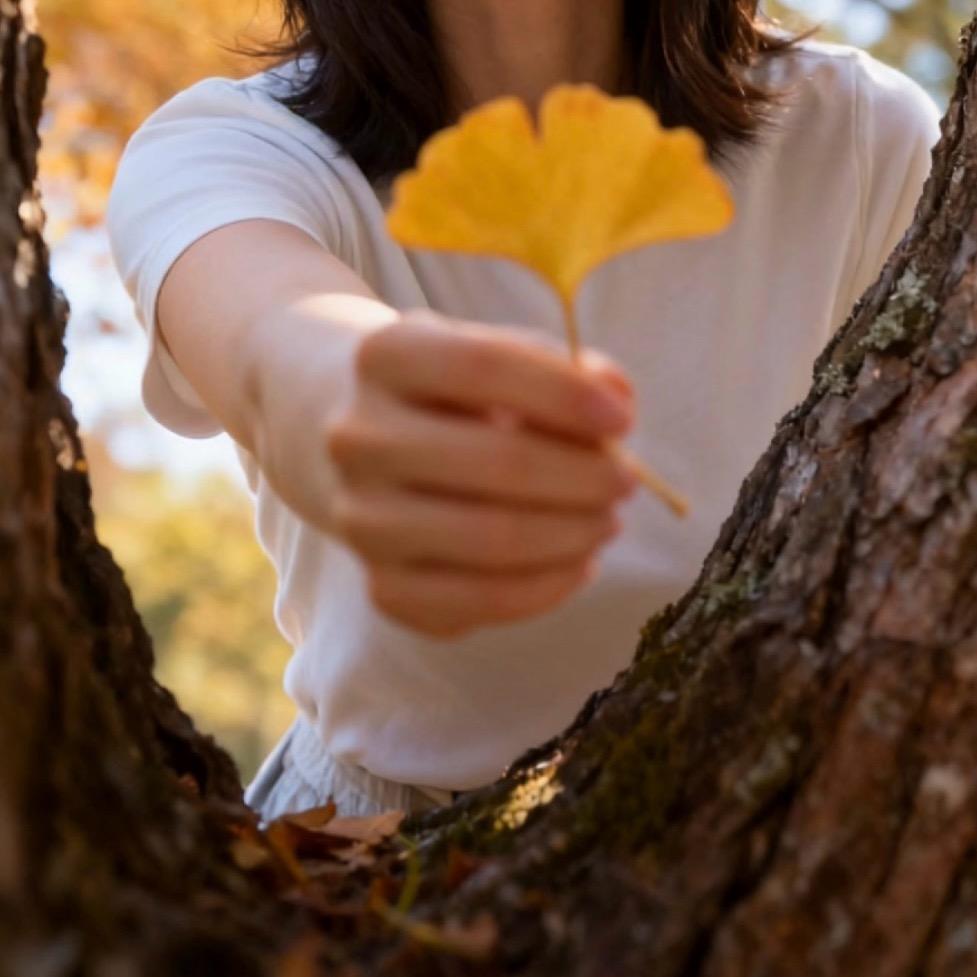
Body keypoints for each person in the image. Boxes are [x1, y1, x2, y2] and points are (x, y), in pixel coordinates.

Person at [106, 1, 942, 821]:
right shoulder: (227, 148)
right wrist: (345, 404)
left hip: (761, 841)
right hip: (368, 850)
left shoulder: (866, 139)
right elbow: (274, 342)